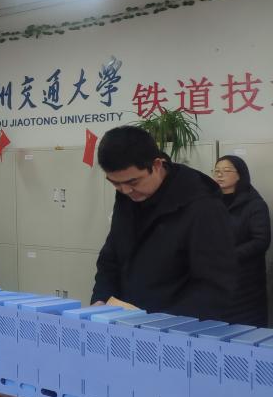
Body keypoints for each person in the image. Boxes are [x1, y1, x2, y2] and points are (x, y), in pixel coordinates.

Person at [91, 126, 236, 320]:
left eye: (133, 182)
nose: (125, 190)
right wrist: (101, 299)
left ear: (157, 165)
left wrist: (160, 323)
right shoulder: (128, 196)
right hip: (129, 323)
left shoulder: (202, 206)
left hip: (176, 328)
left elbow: (215, 287)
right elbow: (111, 257)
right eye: (115, 183)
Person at [213, 155, 270, 327]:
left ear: (240, 174)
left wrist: (228, 256)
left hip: (245, 281)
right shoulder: (211, 201)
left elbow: (261, 241)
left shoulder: (254, 204)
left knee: (244, 331)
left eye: (226, 171)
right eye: (216, 171)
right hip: (216, 279)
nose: (220, 175)